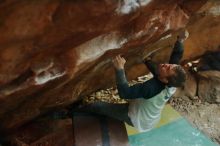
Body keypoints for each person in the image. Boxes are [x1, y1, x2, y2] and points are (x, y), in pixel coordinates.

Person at [70, 30, 189, 132]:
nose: (166, 64)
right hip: (150, 117)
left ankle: (70, 113)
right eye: (170, 65)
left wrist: (119, 69)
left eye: (167, 68)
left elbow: (124, 93)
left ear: (164, 79)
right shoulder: (172, 81)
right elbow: (176, 57)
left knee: (97, 106)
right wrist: (180, 40)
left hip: (137, 119)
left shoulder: (151, 88)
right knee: (164, 70)